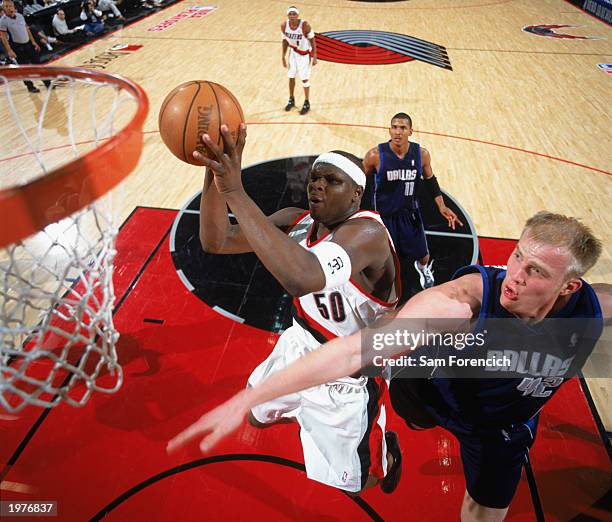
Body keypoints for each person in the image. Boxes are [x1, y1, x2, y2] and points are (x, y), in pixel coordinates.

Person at [168, 211, 610, 521]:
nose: (515, 274)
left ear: (569, 286)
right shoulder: (464, 303)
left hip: (498, 427)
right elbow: (352, 352)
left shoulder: (592, 309)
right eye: (516, 255)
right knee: (392, 390)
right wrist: (251, 394)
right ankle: (391, 444)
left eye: (534, 270)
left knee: (484, 511)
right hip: (432, 394)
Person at [176, 123, 403, 494]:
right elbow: (215, 240)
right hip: (300, 342)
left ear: (356, 194)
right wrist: (214, 175)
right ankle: (304, 409)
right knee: (255, 415)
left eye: (331, 180)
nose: (317, 184)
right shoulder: (294, 221)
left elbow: (304, 276)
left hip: (347, 370)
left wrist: (235, 190)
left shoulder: (368, 235)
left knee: (358, 484)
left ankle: (387, 455)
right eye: (315, 177)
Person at [363, 113, 463, 294]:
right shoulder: (375, 156)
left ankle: (424, 270)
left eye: (402, 128)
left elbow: (430, 180)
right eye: (394, 127)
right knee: (386, 260)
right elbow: (359, 182)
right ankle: (382, 285)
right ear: (389, 130)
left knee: (424, 255)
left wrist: (441, 205)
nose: (398, 132)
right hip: (385, 216)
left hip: (410, 214)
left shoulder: (421, 155)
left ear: (410, 131)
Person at [0, 0, 51, 92]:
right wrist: (9, 50)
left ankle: (47, 82)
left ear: (13, 6)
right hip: (17, 48)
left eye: (10, 6)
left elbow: (27, 29)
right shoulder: (3, 21)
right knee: (24, 69)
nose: (8, 8)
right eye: (6, 6)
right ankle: (30, 86)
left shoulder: (20, 16)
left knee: (38, 64)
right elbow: (3, 37)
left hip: (28, 44)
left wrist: (33, 42)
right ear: (3, 9)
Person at [281, 5, 317, 115]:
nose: (292, 16)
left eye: (294, 14)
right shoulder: (284, 25)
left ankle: (307, 102)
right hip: (293, 53)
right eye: (290, 14)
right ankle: (291, 99)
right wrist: (283, 56)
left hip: (304, 55)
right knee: (291, 76)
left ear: (298, 15)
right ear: (288, 15)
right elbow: (285, 41)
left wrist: (315, 56)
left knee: (304, 79)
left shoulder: (305, 25)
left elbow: (312, 40)